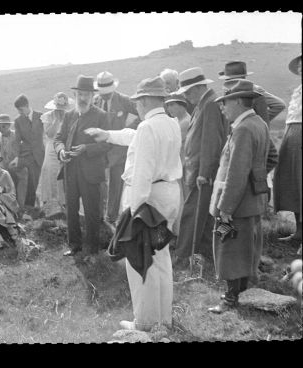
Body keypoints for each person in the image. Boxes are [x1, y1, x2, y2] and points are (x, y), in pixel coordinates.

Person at [86, 76, 182, 330]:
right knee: (160, 259)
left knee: (141, 261)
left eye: (139, 101)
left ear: (148, 100)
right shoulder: (170, 124)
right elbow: (135, 136)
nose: (136, 106)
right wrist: (107, 134)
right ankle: (163, 319)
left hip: (148, 199)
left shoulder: (148, 127)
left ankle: (145, 322)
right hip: (169, 193)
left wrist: (132, 211)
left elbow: (142, 173)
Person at [208, 79, 278, 313]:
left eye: (225, 103)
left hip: (235, 203)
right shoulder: (258, 123)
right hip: (252, 201)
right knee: (247, 248)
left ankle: (230, 299)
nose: (222, 107)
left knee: (228, 248)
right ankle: (243, 290)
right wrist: (256, 181)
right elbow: (269, 159)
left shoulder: (243, 129)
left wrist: (225, 208)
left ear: (238, 101)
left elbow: (236, 173)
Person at [173, 67, 230, 268]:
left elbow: (211, 141)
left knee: (193, 214)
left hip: (202, 174)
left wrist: (205, 173)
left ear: (199, 87)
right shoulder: (204, 104)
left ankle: (183, 256)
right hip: (198, 172)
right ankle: (204, 254)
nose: (187, 97)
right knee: (204, 215)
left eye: (188, 92)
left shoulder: (209, 105)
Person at [54, 75, 111, 263]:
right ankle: (74, 246)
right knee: (71, 210)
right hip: (70, 170)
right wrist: (61, 150)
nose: (83, 98)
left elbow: (107, 144)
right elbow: (58, 138)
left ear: (92, 95)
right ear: (75, 94)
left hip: (91, 171)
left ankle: (93, 249)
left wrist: (86, 149)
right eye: (80, 94)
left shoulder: (101, 116)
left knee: (92, 211)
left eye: (86, 94)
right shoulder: (70, 115)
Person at [93, 71, 139, 224]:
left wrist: (129, 129)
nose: (104, 96)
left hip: (119, 149)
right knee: (99, 181)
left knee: (116, 183)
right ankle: (99, 216)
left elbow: (141, 113)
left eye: (107, 93)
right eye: (102, 93)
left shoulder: (124, 100)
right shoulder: (95, 100)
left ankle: (111, 217)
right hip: (101, 149)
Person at [273, 54, 302, 243]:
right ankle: (299, 232)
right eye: (299, 66)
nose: (300, 68)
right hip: (292, 136)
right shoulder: (298, 90)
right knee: (293, 183)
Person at [37, 92, 73, 218]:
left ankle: (64, 203)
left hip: (64, 146)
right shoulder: (48, 116)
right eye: (58, 109)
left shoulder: (69, 116)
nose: (60, 111)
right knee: (50, 172)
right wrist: (56, 121)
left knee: (63, 173)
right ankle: (50, 202)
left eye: (62, 109)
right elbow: (49, 134)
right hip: (51, 147)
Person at [218, 61, 286, 126]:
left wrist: (257, 120)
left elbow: (279, 105)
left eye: (229, 80)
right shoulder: (229, 91)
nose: (227, 83)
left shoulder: (254, 90)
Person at [164, 92, 191, 236]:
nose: (169, 108)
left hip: (183, 165)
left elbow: (174, 144)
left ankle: (181, 232)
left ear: (182, 105)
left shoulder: (185, 122)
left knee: (181, 198)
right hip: (178, 164)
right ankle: (178, 231)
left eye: (173, 104)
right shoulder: (176, 120)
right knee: (177, 198)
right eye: (168, 105)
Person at [12, 94, 45, 211]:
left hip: (41, 155)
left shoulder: (41, 116)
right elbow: (16, 140)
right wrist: (16, 156)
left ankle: (43, 207)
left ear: (27, 106)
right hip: (27, 156)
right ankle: (30, 208)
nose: (20, 112)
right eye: (18, 110)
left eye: (21, 109)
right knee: (31, 181)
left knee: (41, 181)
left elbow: (46, 135)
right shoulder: (18, 121)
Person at [0, 114, 29, 214]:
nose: (1, 129)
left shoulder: (16, 135)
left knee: (23, 175)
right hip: (4, 166)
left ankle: (21, 206)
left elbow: (23, 151)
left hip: (17, 165)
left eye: (3, 126)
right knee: (2, 180)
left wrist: (18, 161)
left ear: (9, 126)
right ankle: (7, 207)